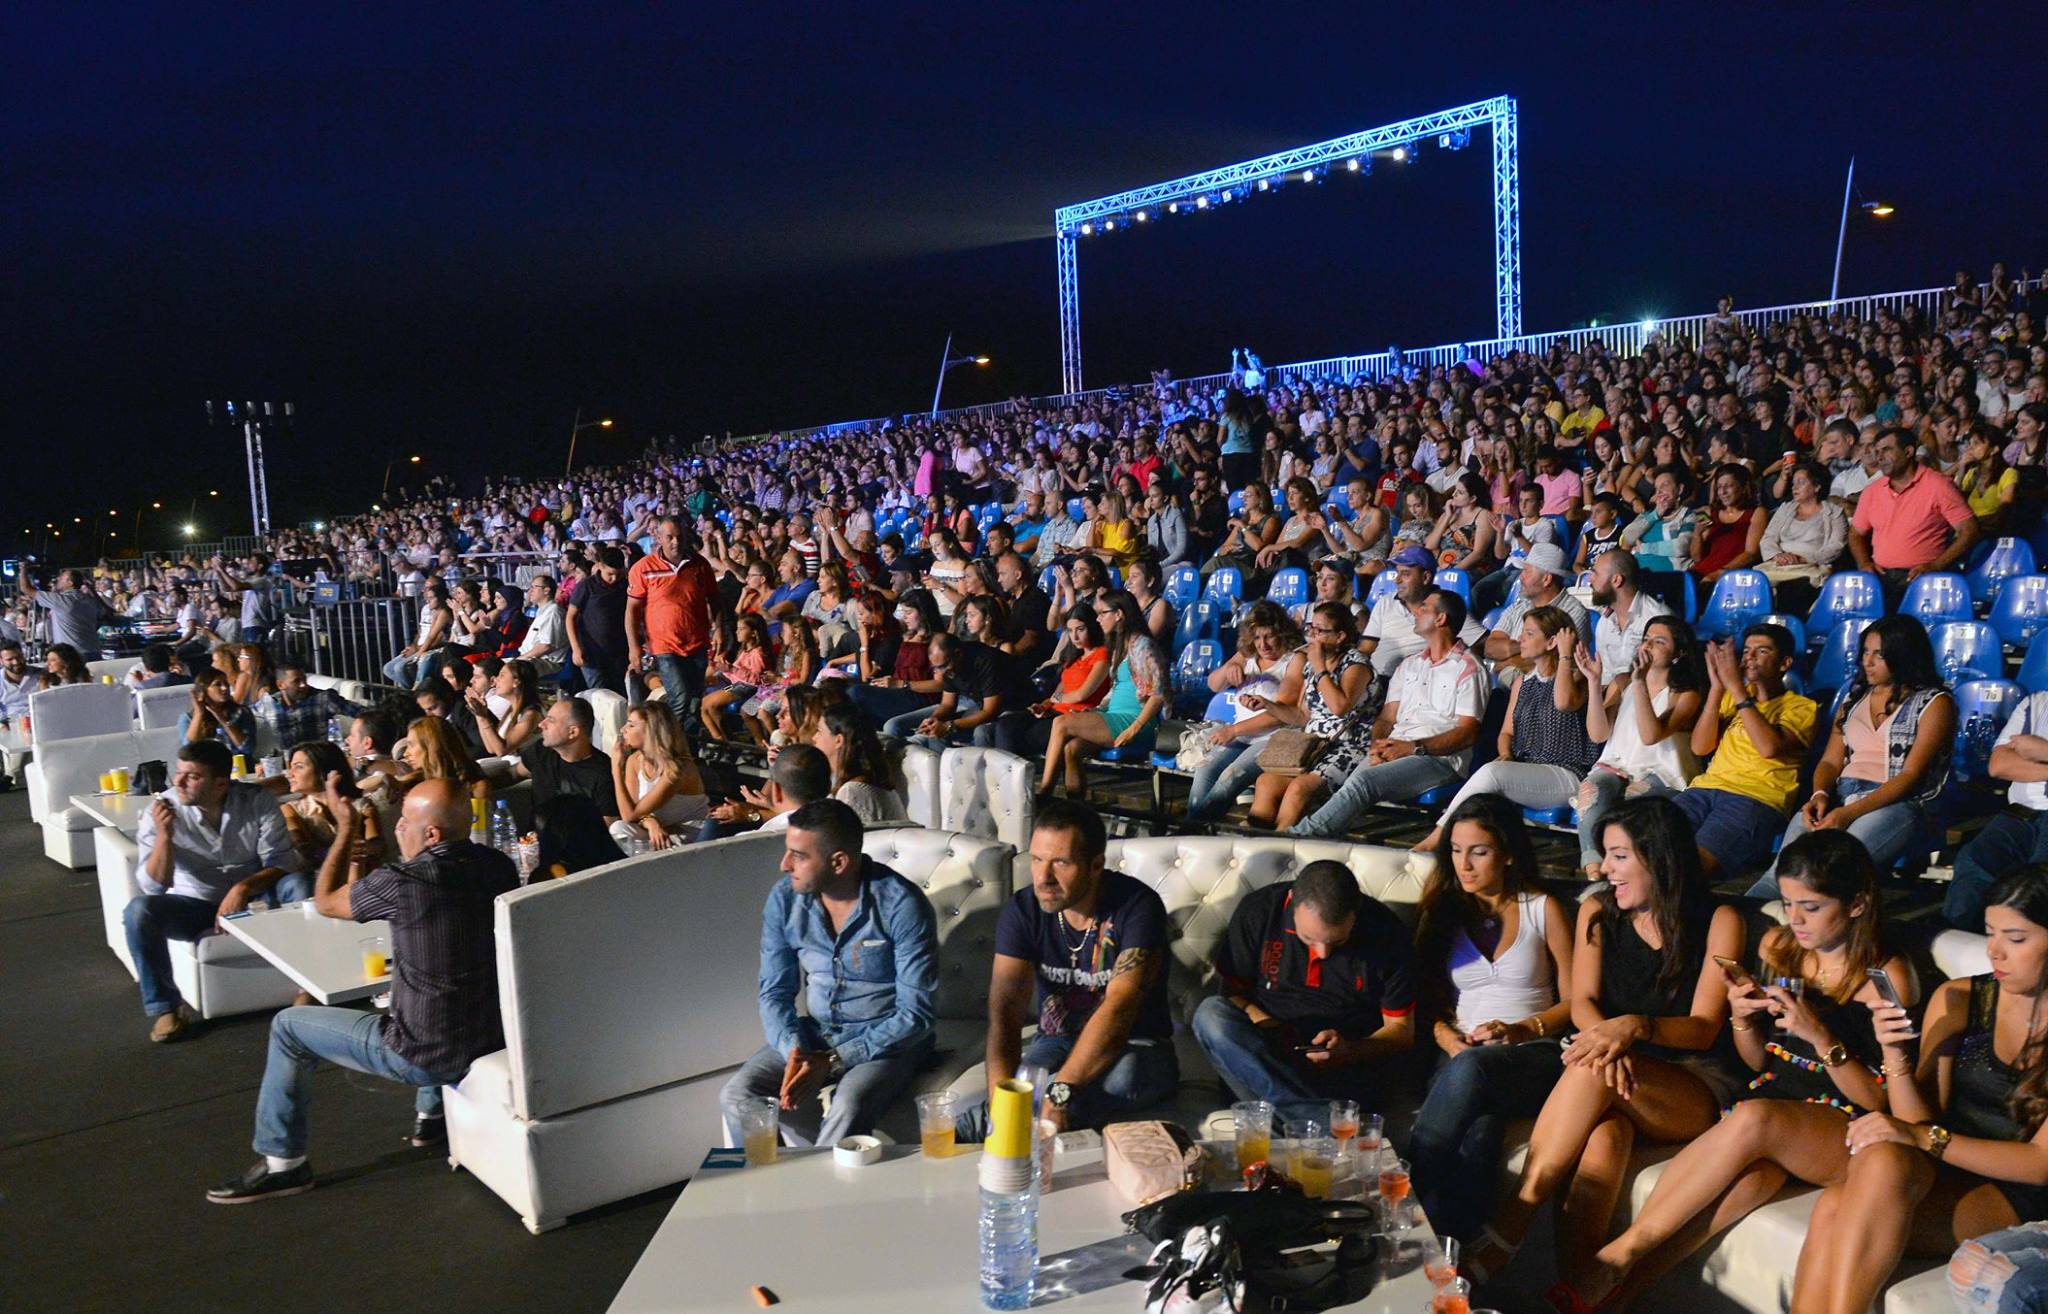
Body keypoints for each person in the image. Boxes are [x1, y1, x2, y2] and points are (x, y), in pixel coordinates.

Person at [1568, 830, 1914, 1310]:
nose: (1796, 919)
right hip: (1778, 1107)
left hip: (1848, 1125)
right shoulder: (1780, 948)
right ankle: (1619, 1297)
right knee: (1752, 1181)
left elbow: (1883, 1100)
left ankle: (1618, 1255)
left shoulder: (1886, 977)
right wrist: (1743, 1018)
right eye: (1788, 903)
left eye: (1811, 907)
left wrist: (1821, 1037)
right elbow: (1761, 1062)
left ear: (1857, 905)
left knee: (1756, 1118)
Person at [1465, 798, 1746, 1290]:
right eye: (1606, 856)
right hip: (1613, 1068)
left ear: (1658, 857)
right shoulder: (1597, 910)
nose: (1605, 869)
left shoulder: (1720, 919)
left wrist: (1636, 1028)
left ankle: (1510, 1225)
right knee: (1605, 1140)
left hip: (1691, 1084)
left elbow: (1704, 1026)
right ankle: (1580, 1292)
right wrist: (1612, 1042)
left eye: (1618, 856)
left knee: (1589, 1068)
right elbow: (1583, 1003)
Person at [204, 777, 519, 1203]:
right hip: (493, 1034)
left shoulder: (405, 879)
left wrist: (347, 827)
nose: (397, 827)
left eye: (405, 820)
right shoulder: (498, 865)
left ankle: (283, 1164)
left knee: (288, 1027)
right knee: (443, 987)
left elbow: (325, 902)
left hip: (424, 1054)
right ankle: (431, 1117)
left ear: (431, 834)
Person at [1792, 866, 2048, 1314]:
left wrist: (1924, 1137)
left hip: (2022, 1189)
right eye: (1990, 933)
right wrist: (1894, 1054)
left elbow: (2040, 1164)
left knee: (1840, 1204)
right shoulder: (1961, 998)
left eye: (2015, 938)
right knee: (1861, 1177)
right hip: (1947, 1163)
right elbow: (1917, 1121)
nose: (1994, 951)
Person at [717, 799, 939, 1149]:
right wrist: (794, 1050)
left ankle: (815, 1182)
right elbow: (774, 992)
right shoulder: (784, 900)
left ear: (838, 862)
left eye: (798, 856)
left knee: (848, 1104)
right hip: (817, 1032)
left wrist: (834, 1061)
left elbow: (916, 1014)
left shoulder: (901, 905)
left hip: (889, 1041)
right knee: (736, 1095)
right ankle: (765, 1179)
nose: (784, 865)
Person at [1408, 797, 1575, 1244]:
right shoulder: (1443, 911)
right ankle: (1455, 1253)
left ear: (1508, 854)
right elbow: (1424, 1001)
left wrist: (1521, 1030)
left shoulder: (1542, 908)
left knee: (1473, 1071)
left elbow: (1576, 1002)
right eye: (1455, 850)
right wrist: (1448, 1040)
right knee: (1481, 1134)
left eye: (1478, 852)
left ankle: (1402, 1199)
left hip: (1533, 1052)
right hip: (1460, 1053)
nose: (1464, 864)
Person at [958, 799, 1176, 1139]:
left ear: (1096, 865)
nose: (1043, 877)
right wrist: (1001, 1100)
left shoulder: (1137, 906)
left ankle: (975, 1126)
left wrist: (1060, 1093)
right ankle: (1000, 1122)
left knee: (1124, 1077)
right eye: (1037, 859)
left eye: (1061, 862)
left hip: (1134, 1043)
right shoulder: (1023, 910)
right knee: (1024, 1081)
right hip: (1056, 1039)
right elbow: (1006, 1011)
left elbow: (1120, 1007)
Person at [1190, 858, 1416, 1124]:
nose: (1323, 953)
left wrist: (1351, 1050)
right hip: (1265, 1059)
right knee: (1210, 1013)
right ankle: (1321, 1123)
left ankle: (1298, 1120)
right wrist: (1269, 1025)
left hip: (1342, 1069)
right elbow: (1232, 994)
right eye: (1309, 939)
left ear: (1356, 913)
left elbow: (1401, 1030)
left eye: (1337, 941)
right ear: (1291, 904)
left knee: (1264, 1111)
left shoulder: (1386, 930)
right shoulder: (1260, 911)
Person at [1750, 615, 1955, 899]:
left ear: (1903, 655)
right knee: (1781, 871)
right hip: (1841, 797)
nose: (1867, 662)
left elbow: (1910, 776)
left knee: (1829, 876)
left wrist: (1848, 814)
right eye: (1865, 652)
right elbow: (1830, 761)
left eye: (1879, 654)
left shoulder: (1934, 703)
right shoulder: (1853, 698)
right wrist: (1820, 795)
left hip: (1897, 802)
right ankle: (1742, 917)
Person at [126, 741, 306, 1043]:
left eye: (192, 776)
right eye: (178, 773)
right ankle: (166, 1008)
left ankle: (307, 987)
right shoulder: (160, 811)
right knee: (138, 912)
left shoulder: (256, 800)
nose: (179, 782)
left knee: (299, 885)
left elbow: (281, 861)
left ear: (221, 783)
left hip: (255, 898)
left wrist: (243, 887)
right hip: (196, 903)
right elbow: (154, 886)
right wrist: (164, 836)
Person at [1284, 589, 1484, 838]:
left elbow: (1468, 732)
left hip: (1437, 758)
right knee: (1350, 786)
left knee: (1362, 783)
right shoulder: (1409, 665)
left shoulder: (1468, 668)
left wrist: (1412, 747)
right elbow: (1387, 718)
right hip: (1394, 748)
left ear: (1441, 619)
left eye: (1424, 607)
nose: (1417, 611)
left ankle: (1297, 837)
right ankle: (1313, 841)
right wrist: (1376, 746)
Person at [1414, 606, 1599, 851]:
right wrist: (1506, 754)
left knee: (1491, 774)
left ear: (1552, 641)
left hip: (1567, 773)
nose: (1520, 638)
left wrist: (1565, 655)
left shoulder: (1578, 678)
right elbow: (1506, 733)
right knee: (1490, 783)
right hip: (1527, 769)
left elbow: (1563, 702)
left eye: (1530, 634)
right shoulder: (1522, 682)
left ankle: (1437, 839)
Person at [1674, 622, 1819, 878]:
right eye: (1746, 651)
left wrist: (1737, 689)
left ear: (1784, 663)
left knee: (1695, 867)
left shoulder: (1801, 707)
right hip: (1704, 789)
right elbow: (1699, 747)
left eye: (1762, 651)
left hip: (1756, 798)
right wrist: (1717, 689)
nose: (1750, 657)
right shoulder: (1730, 696)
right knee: (1651, 848)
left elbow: (1769, 748)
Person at [1573, 615, 1707, 881]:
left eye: (1659, 641)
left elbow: (1651, 735)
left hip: (1662, 773)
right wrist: (1593, 682)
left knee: (1632, 808)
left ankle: (1631, 875)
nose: (1648, 646)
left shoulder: (1685, 694)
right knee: (1590, 793)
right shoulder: (1622, 681)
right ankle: (1595, 876)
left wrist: (1639, 683)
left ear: (1679, 653)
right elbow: (1598, 734)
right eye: (1646, 639)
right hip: (1617, 765)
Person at [1246, 600, 1376, 830]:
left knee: (1299, 788)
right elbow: (1302, 716)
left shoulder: (1356, 665)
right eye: (1311, 629)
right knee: (1265, 782)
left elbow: (1340, 707)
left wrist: (1320, 669)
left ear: (1340, 636)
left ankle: (1281, 841)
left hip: (1348, 746)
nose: (1313, 636)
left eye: (1320, 631)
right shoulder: (1311, 666)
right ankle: (1252, 840)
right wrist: (1268, 705)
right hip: (1313, 745)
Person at [1037, 590, 1167, 796]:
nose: (1098, 619)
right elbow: (1115, 691)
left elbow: (1158, 694)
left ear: (1119, 614)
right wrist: (1095, 710)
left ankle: (1045, 793)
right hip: (1114, 716)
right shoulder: (1119, 647)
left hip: (1134, 720)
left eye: (1102, 613)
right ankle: (1075, 806)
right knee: (1072, 749)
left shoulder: (1142, 645)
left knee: (1061, 723)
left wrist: (1134, 728)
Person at [1182, 603, 1301, 822]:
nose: (1263, 645)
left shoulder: (1293, 660)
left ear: (1282, 633)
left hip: (1273, 737)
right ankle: (1194, 825)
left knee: (1230, 777)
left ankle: (1194, 829)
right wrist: (1229, 669)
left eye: (1269, 637)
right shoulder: (1247, 656)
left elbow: (1281, 713)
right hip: (1241, 736)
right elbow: (1213, 685)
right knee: (1204, 770)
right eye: (1257, 638)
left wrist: (1233, 730)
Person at [1946, 686, 2048, 931]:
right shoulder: (2036, 703)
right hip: (2020, 815)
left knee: (2038, 878)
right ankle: (1955, 941)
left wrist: (2042, 751)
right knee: (1974, 861)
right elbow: (1999, 765)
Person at [1849, 426, 1981, 608]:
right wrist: (1864, 563)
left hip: (1923, 581)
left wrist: (1936, 566)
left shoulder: (1938, 485)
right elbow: (1855, 533)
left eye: (1886, 450)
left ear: (1908, 452)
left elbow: (1970, 531)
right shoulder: (1872, 491)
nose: (1879, 457)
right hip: (1882, 579)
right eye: (1877, 452)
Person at [626, 517, 718, 721]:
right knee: (680, 698)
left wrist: (719, 629)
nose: (676, 542)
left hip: (697, 643)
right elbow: (631, 610)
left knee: (694, 701)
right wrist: (634, 647)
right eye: (670, 537)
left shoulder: (700, 564)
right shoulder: (643, 568)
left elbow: (714, 599)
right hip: (664, 645)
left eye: (679, 537)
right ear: (658, 538)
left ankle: (684, 740)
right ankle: (664, 735)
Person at [1480, 542, 1594, 676]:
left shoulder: (1574, 612)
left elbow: (1553, 663)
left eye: (1527, 571)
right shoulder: (1519, 606)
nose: (1521, 577)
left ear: (1546, 579)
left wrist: (1503, 663)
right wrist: (1530, 646)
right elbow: (1491, 647)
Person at [608, 699, 709, 849]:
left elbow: (630, 814)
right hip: (658, 831)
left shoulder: (677, 769)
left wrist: (616, 769)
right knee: (619, 829)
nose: (623, 729)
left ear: (651, 731)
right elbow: (631, 814)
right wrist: (650, 822)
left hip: (688, 835)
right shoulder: (634, 760)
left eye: (631, 725)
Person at [1757, 459, 1850, 615]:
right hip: (1779, 566)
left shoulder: (1834, 513)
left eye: (1801, 482)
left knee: (1792, 590)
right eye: (1793, 483)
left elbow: (1836, 546)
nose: (1795, 487)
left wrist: (1803, 559)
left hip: (1811, 568)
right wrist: (1777, 555)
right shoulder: (1786, 509)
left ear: (1817, 486)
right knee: (1751, 583)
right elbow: (1768, 538)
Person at [1588, 549, 1671, 705]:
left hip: (1651, 702)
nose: (1590, 580)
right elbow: (1606, 677)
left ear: (1616, 580)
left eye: (1595, 574)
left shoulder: (1657, 618)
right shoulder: (1604, 622)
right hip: (1618, 701)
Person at [506, 695, 612, 811]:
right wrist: (489, 783)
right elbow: (515, 773)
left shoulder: (602, 773)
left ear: (573, 732)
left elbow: (609, 821)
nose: (541, 724)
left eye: (551, 720)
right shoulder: (541, 751)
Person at [811, 701, 909, 825]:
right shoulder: (861, 781)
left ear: (838, 740)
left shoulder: (853, 791)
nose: (814, 738)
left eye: (819, 731)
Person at [566, 546, 630, 693]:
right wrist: (576, 648)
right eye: (610, 574)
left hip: (619, 652)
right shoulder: (586, 586)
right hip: (591, 652)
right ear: (600, 566)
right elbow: (570, 617)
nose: (614, 579)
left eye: (618, 574)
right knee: (600, 694)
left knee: (620, 693)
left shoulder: (624, 585)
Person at [257, 663, 360, 750]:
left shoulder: (323, 698)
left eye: (304, 680)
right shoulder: (268, 704)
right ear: (280, 685)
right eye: (296, 681)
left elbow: (361, 713)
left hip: (318, 757)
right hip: (283, 761)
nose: (303, 685)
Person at [21, 568, 116, 660]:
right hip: (94, 651)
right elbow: (109, 613)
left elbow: (26, 588)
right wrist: (93, 590)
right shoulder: (89, 600)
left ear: (70, 583)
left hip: (72, 655)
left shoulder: (62, 600)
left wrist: (23, 567)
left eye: (61, 578)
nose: (58, 579)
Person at [467, 657, 543, 757]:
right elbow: (491, 748)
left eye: (502, 675)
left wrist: (483, 717)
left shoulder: (531, 714)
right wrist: (478, 714)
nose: (496, 679)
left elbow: (501, 751)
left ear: (516, 682)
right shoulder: (511, 710)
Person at [178, 668, 256, 751]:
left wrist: (222, 719)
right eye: (217, 684)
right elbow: (188, 749)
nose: (224, 688)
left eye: (226, 683)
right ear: (204, 690)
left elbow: (247, 748)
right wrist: (199, 714)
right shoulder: (187, 718)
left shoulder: (242, 712)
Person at [514, 574, 569, 674]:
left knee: (510, 670)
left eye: (534, 587)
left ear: (546, 590)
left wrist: (519, 659)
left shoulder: (553, 611)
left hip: (546, 661)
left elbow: (545, 646)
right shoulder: (542, 611)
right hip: (531, 658)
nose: (530, 591)